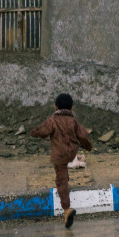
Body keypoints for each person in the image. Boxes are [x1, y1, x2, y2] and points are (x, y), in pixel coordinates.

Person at [31, 93, 92, 229]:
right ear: (71, 108)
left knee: (61, 179)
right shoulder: (73, 121)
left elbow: (42, 131)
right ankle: (66, 208)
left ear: (55, 107)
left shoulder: (53, 119)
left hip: (59, 154)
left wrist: (33, 132)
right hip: (72, 152)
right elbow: (83, 135)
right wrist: (88, 147)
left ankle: (66, 209)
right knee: (63, 171)